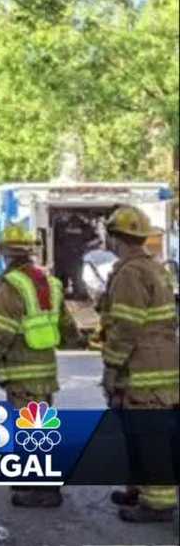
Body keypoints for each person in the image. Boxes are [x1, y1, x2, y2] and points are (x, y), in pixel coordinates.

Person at [0, 224, 81, 508]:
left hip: (21, 369)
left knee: (34, 430)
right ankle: (32, 478)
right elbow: (68, 327)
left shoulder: (12, 285)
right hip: (45, 369)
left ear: (7, 253)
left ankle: (46, 490)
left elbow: (0, 331)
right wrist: (76, 341)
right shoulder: (49, 282)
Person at [96, 205, 179, 523]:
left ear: (117, 239)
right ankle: (139, 488)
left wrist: (111, 366)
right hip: (162, 363)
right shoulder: (154, 268)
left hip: (143, 367)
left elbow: (126, 327)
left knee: (149, 435)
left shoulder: (130, 273)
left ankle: (157, 504)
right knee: (140, 431)